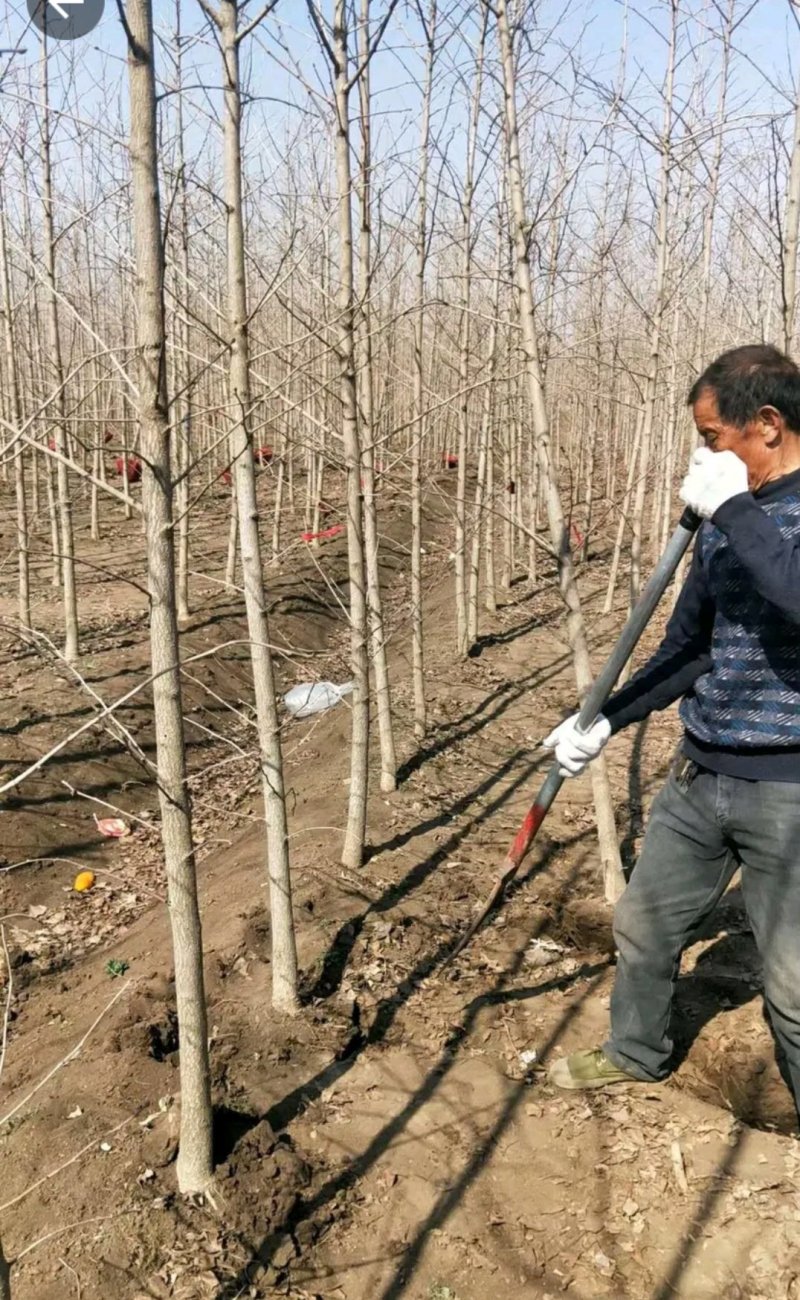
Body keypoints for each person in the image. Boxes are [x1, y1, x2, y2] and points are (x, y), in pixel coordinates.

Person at [543, 344, 800, 1112]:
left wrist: (735, 511)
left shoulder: (738, 513)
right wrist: (603, 720)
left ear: (768, 423)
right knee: (645, 927)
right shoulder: (725, 518)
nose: (703, 455)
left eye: (712, 436)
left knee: (791, 986)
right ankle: (635, 1052)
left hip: (789, 796)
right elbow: (686, 650)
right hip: (699, 779)